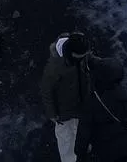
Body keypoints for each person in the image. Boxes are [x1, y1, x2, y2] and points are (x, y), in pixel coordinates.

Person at [74, 59, 127, 162]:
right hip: (125, 145)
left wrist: (80, 153)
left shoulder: (91, 101)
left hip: (102, 149)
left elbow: (84, 132)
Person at [41, 32, 94, 162]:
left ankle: (82, 145)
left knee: (80, 127)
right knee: (65, 137)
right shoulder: (54, 68)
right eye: (81, 57)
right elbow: (47, 92)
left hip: (80, 104)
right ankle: (69, 159)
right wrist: (52, 114)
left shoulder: (80, 52)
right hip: (63, 111)